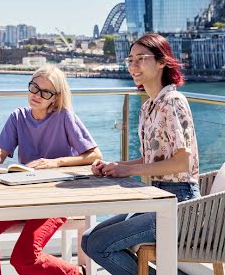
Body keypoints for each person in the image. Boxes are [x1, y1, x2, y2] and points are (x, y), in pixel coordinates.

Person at [0, 65, 102, 275]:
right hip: (23, 197)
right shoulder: (17, 116)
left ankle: (76, 273)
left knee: (24, 257)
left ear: (54, 98)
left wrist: (56, 163)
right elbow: (2, 153)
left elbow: (95, 155)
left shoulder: (65, 117)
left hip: (56, 200)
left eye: (45, 92)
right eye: (34, 88)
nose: (37, 95)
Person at [81, 33, 201, 275]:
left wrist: (131, 170)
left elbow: (181, 162)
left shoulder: (173, 102)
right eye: (130, 59)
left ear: (161, 62)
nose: (133, 65)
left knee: (98, 245)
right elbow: (152, 161)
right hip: (156, 197)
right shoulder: (148, 106)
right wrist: (116, 165)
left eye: (141, 58)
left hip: (180, 204)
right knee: (88, 239)